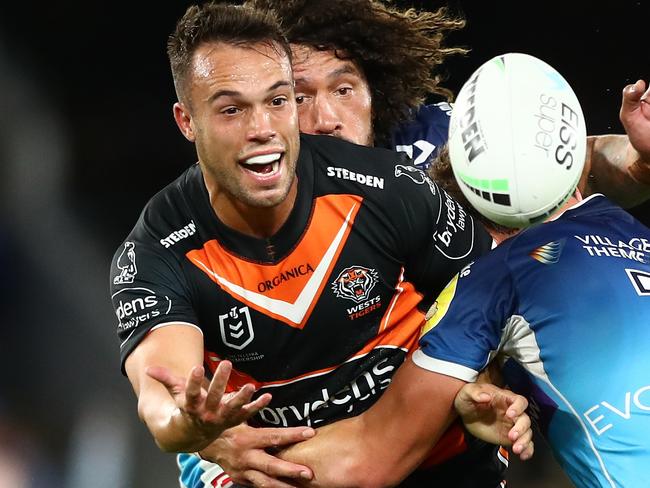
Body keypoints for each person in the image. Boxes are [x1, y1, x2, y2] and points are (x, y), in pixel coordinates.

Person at [182, 1, 650, 486]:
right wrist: (210, 441)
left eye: (343, 89)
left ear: (373, 92)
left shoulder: (430, 146)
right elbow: (180, 390)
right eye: (299, 97)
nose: (326, 119)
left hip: (432, 437)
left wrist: (638, 158)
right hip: (291, 448)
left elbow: (555, 167)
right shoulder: (223, 209)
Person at [110, 4, 530, 488]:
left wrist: (483, 383)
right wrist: (196, 428)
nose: (261, 128)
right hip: (272, 466)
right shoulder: (155, 252)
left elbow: (494, 299)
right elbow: (160, 399)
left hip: (436, 460)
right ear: (187, 121)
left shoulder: (391, 189)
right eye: (231, 109)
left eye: (278, 101)